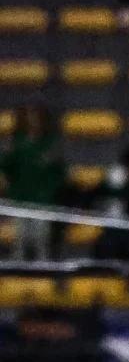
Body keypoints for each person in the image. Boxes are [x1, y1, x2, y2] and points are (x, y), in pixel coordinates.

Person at [1, 105, 66, 261]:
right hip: (19, 200)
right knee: (19, 242)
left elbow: (60, 174)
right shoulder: (17, 144)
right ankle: (16, 277)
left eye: (36, 119)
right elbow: (5, 167)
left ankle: (44, 276)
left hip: (42, 201)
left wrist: (50, 192)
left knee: (41, 241)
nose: (33, 123)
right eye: (30, 119)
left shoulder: (50, 145)